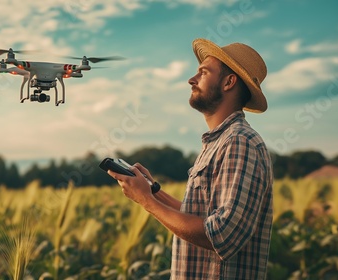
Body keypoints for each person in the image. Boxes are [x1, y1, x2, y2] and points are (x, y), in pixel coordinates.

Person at [107, 38, 273, 279]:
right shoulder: (219, 142)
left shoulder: (239, 142)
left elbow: (222, 235)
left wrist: (146, 201)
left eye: (203, 73)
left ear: (228, 82)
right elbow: (203, 217)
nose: (191, 79)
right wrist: (153, 191)